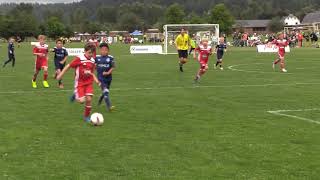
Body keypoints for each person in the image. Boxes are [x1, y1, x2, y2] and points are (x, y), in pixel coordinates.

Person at [57, 43, 100, 122]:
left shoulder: (93, 61)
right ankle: (75, 94)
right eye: (89, 52)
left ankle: (86, 116)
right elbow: (68, 66)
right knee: (81, 101)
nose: (91, 54)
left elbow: (92, 72)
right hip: (80, 83)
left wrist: (96, 80)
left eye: (92, 53)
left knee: (89, 99)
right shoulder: (79, 58)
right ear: (85, 51)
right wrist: (60, 75)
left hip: (89, 83)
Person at [95, 43, 116, 112]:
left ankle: (101, 98)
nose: (104, 51)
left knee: (105, 92)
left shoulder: (110, 58)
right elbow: (93, 65)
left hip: (109, 78)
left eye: (105, 50)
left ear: (108, 51)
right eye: (102, 50)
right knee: (106, 92)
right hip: (100, 78)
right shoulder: (97, 57)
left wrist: (107, 73)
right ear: (100, 50)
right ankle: (109, 106)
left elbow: (113, 67)